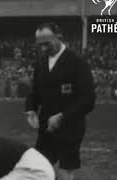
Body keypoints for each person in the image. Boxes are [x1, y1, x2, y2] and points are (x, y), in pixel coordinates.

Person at [25, 22, 96, 180]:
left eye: (46, 43)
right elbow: (34, 92)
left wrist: (62, 116)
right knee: (39, 169)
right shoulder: (41, 62)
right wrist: (30, 109)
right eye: (40, 44)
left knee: (65, 172)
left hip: (70, 127)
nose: (43, 48)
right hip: (46, 128)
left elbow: (88, 100)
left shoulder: (77, 62)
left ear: (59, 37)